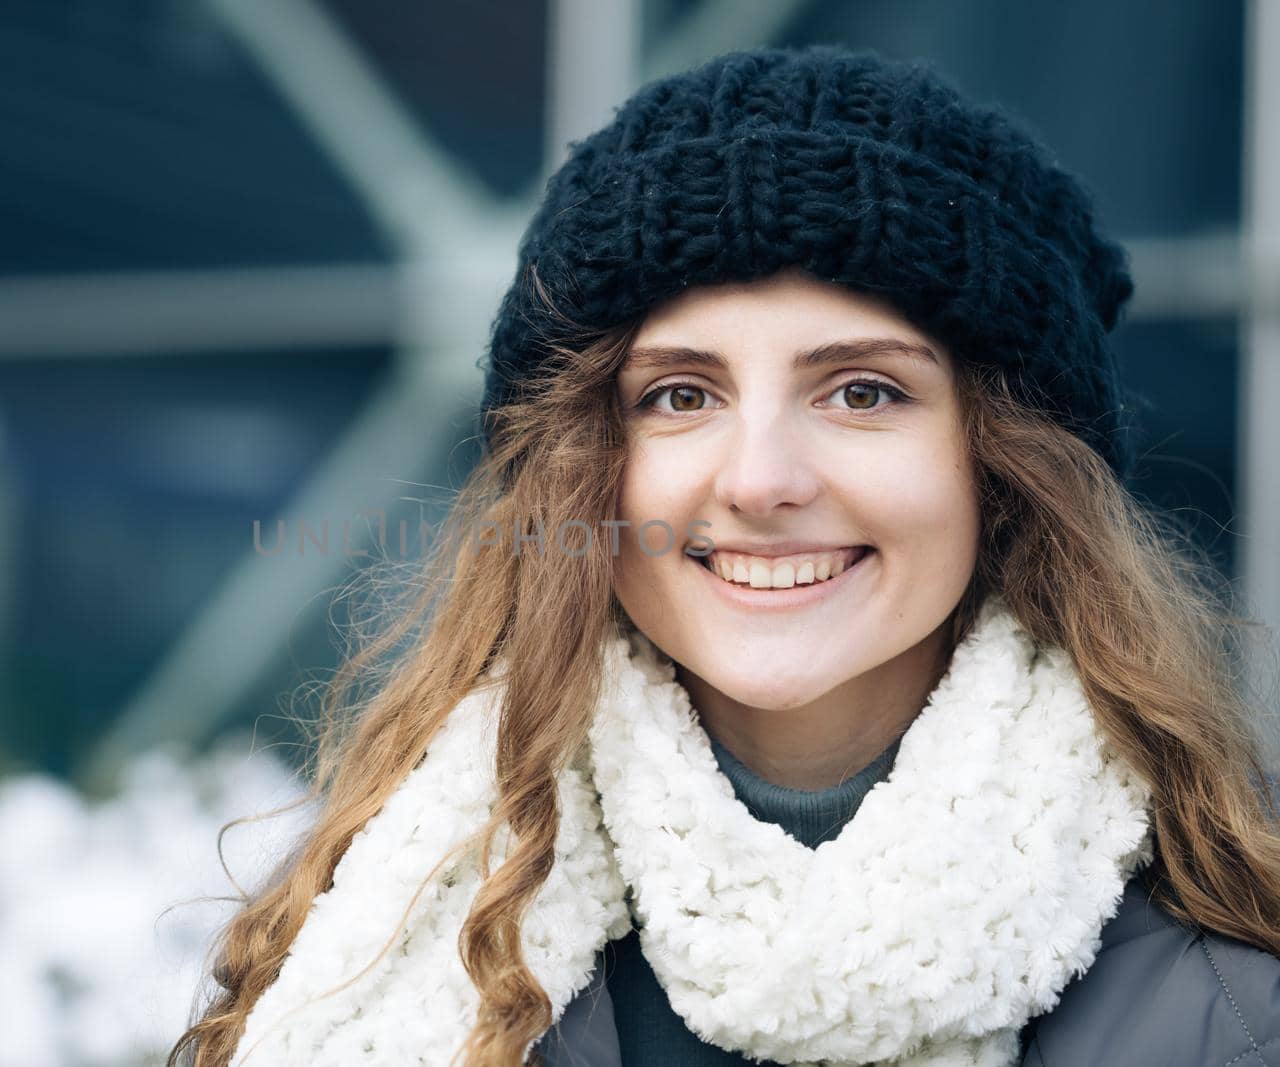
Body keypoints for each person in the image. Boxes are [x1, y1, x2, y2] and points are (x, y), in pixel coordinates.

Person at [169, 45, 1280, 1067]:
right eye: (679, 395)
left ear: (1004, 467)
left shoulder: (1229, 1001)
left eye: (861, 391)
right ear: (575, 462)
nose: (757, 480)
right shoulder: (372, 927)